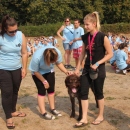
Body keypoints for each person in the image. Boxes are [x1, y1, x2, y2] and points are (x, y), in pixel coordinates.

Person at [74, 11, 113, 127]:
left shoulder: (102, 36)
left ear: (94, 24)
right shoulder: (85, 37)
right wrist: (77, 68)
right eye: (84, 24)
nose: (85, 27)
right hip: (86, 68)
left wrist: (97, 63)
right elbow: (82, 54)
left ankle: (100, 115)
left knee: (98, 93)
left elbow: (110, 54)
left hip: (99, 69)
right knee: (83, 92)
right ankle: (84, 118)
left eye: (87, 25)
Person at [0, 15, 28, 129]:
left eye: (16, 30)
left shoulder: (21, 35)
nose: (14, 33)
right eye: (11, 32)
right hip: (3, 69)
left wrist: (24, 68)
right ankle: (8, 117)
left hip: (17, 68)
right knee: (7, 92)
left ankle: (12, 111)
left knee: (15, 90)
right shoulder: (0, 37)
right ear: (5, 29)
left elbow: (25, 53)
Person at [29, 46, 71, 120]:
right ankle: (44, 113)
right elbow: (35, 71)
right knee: (41, 91)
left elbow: (59, 63)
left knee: (51, 90)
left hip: (49, 71)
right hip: (38, 73)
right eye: (52, 62)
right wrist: (44, 81)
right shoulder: (37, 57)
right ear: (46, 59)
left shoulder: (56, 52)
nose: (53, 63)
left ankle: (53, 109)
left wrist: (66, 71)